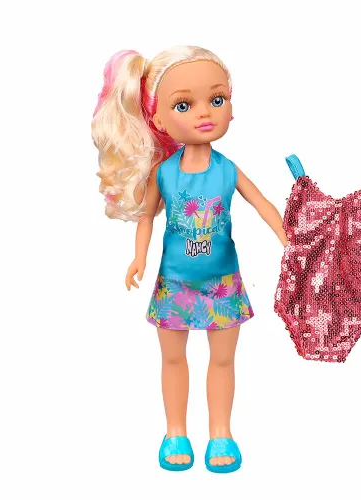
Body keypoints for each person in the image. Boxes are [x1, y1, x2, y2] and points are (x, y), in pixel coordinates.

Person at [91, 46, 287, 473]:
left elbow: (262, 203)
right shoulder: (163, 173)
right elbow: (147, 217)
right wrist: (138, 257)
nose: (204, 113)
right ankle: (175, 431)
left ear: (231, 106)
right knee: (173, 359)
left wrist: (284, 235)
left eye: (217, 99)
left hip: (223, 283)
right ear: (159, 119)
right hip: (175, 283)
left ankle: (221, 432)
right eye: (184, 104)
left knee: (223, 360)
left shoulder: (228, 169)